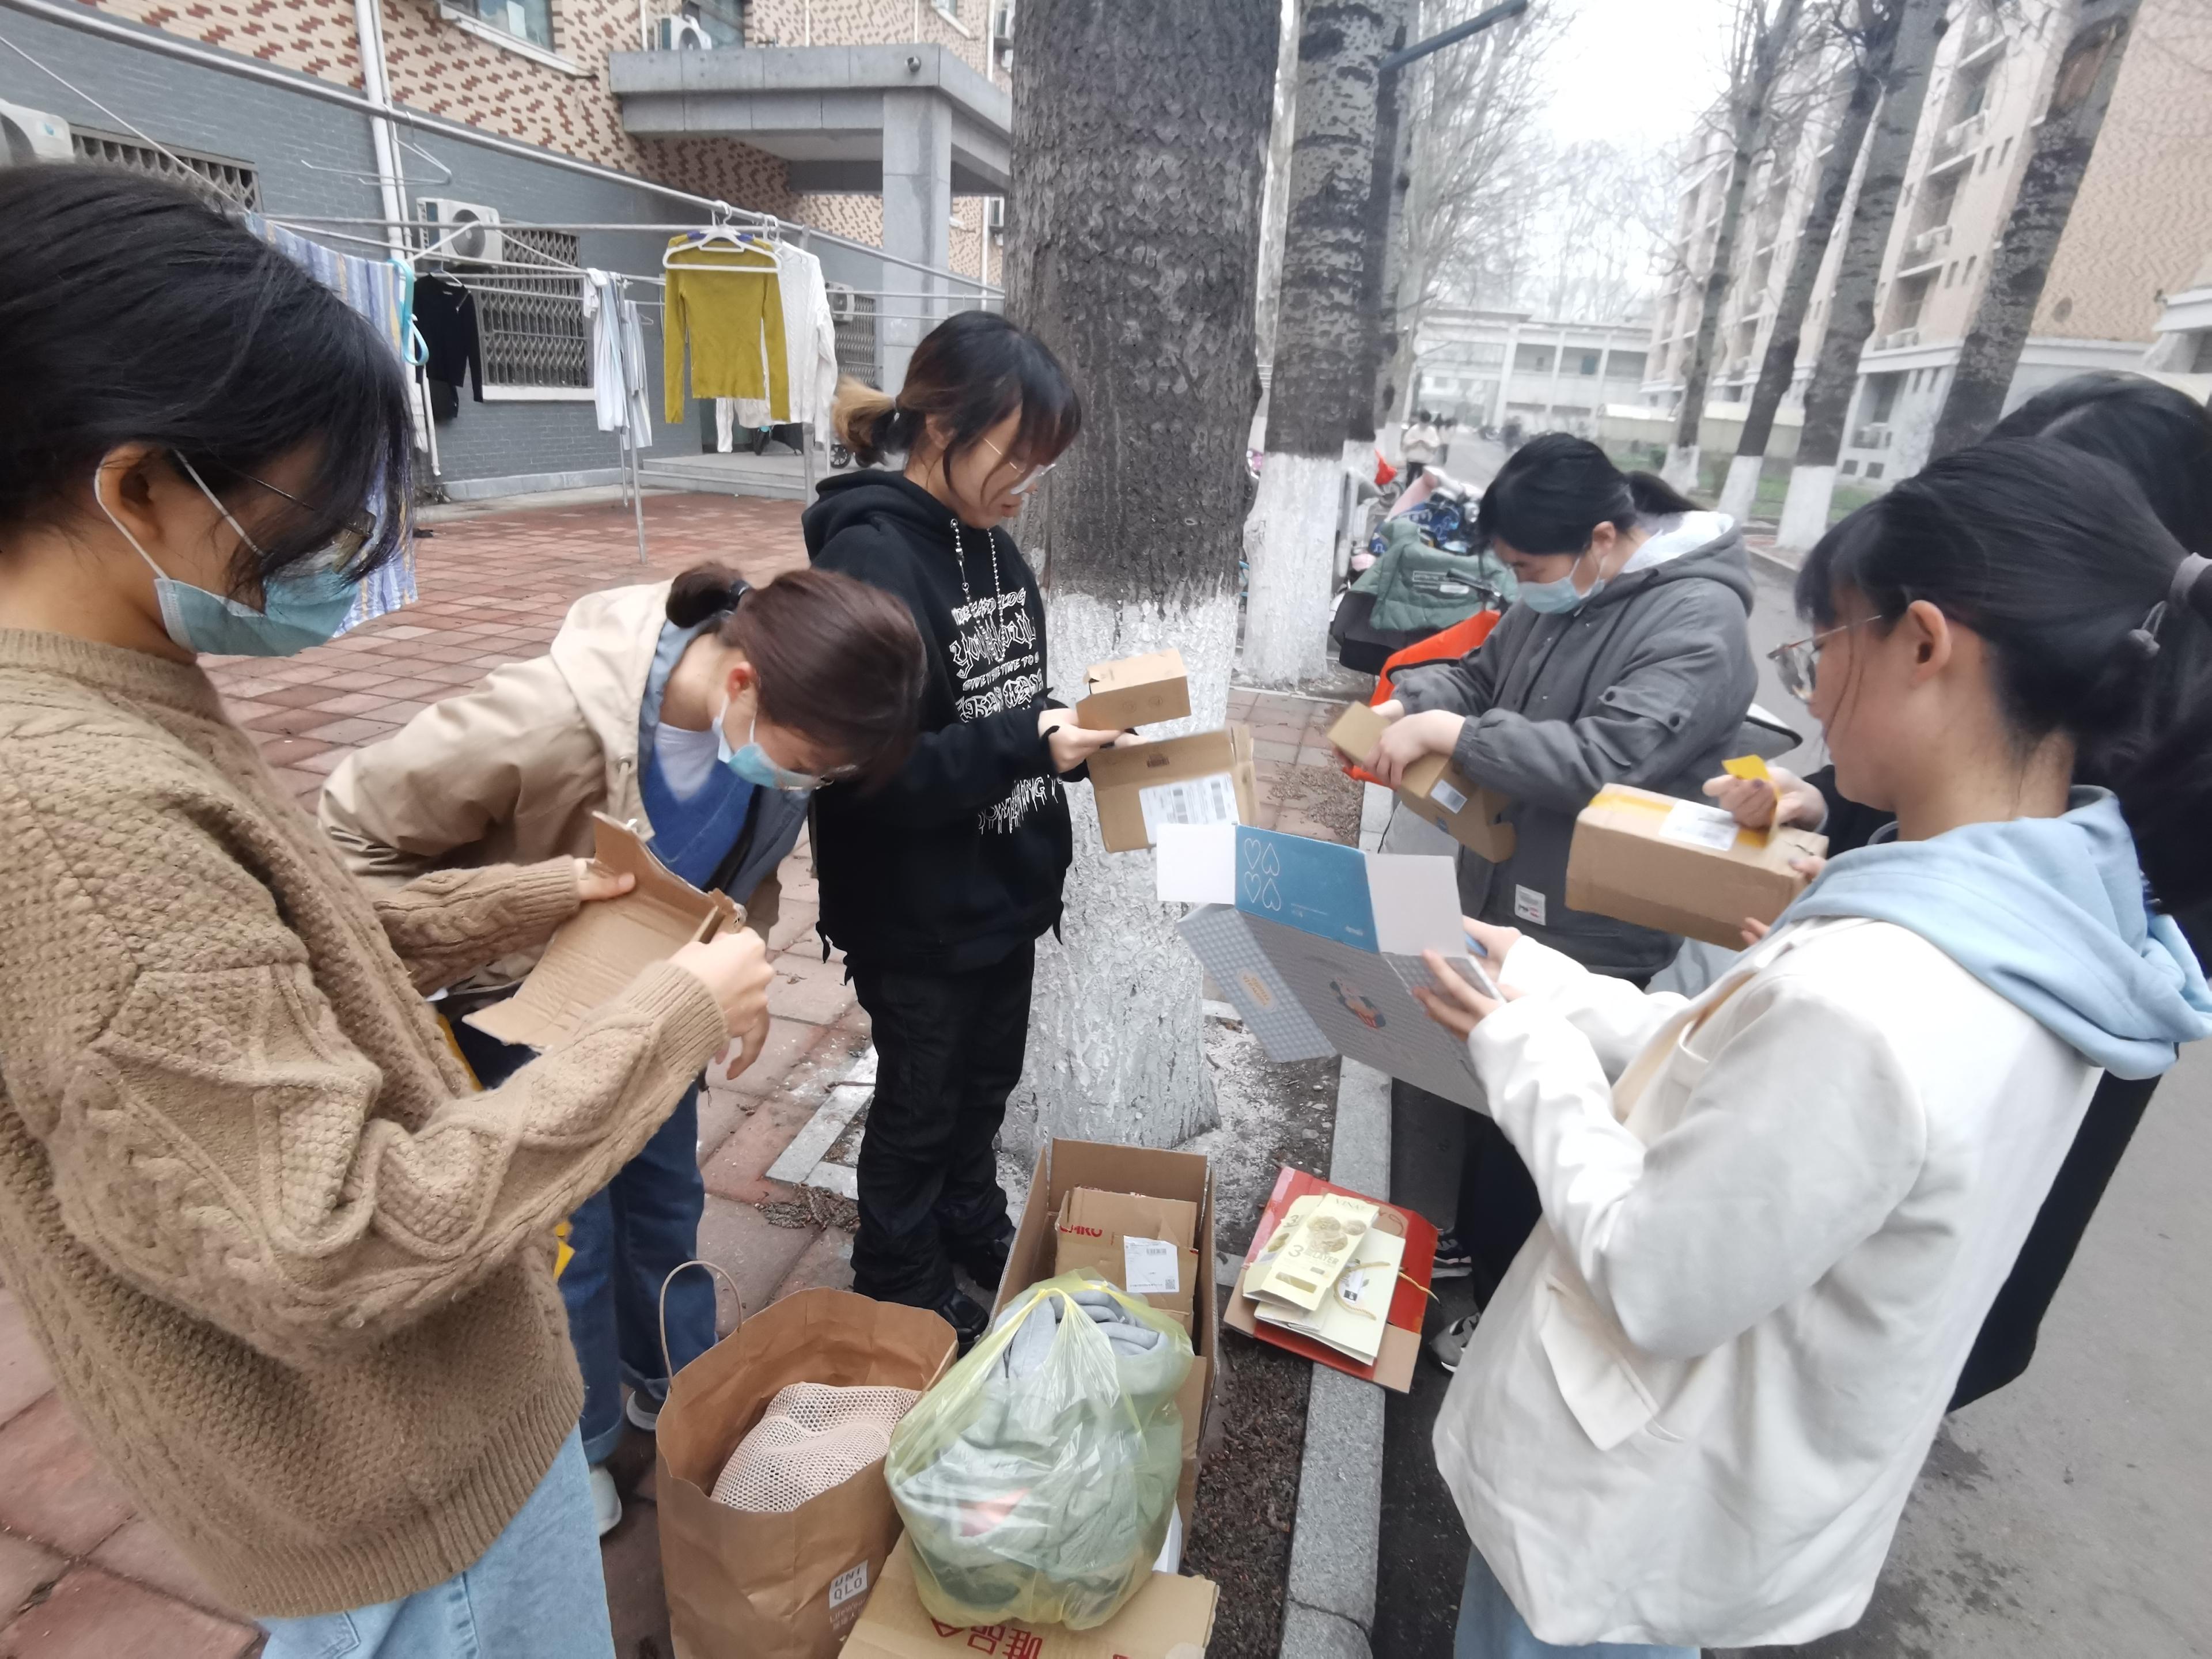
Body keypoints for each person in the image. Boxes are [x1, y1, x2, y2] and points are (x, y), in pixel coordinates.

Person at [0, 166, 774, 1658]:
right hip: (408, 1490)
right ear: (138, 487)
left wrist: (548, 892)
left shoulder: (118, 695)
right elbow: (334, 1237)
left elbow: (286, 934)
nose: (339, 552)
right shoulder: (73, 813)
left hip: (417, 1449)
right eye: (306, 506)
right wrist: (672, 1020)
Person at [1412, 439, 2211, 1656]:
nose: (1817, 689)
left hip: (1622, 1519)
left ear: (1925, 644)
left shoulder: (1879, 993)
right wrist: (1553, 985)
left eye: (1825, 644)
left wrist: (1524, 1045)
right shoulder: (2041, 918)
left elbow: (1658, 1275)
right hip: (1719, 1488)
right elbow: (1739, 1087)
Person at [319, 562, 926, 1531]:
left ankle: (670, 1377)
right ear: (741, 683)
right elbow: (347, 842)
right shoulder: (548, 720)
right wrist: (493, 925)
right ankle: (580, 1442)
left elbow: (746, 875)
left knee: (665, 1198)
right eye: (809, 764)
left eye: (826, 777)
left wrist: (733, 965)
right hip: (520, 1012)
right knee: (572, 1234)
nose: (807, 787)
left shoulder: (771, 739)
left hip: (657, 1001)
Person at [1705, 370, 2212, 1411]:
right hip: (1838, 1310)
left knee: (1849, 1353)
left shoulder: (2137, 807)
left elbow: (1664, 1275)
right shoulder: (2035, 759)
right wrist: (1822, 808)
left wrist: (1844, 957)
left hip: (1833, 1331)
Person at [1350, 434, 1755, 1309]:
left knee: (1553, 1118)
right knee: (1491, 1085)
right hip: (1508, 887)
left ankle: (1512, 1294)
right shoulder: (1563, 592)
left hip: (1595, 921)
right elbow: (1481, 676)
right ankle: (1477, 1250)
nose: (1519, 584)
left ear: (1602, 539)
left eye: (1526, 567)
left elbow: (1606, 761)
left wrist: (1457, 736)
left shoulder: (1698, 622)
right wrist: (1412, 704)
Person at [802, 312, 1116, 1347]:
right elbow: (870, 771)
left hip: (1002, 888)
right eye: (1017, 454)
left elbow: (1004, 700)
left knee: (985, 1087)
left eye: (1043, 461)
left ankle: (967, 1218)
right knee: (919, 1103)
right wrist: (1031, 741)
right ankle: (897, 1275)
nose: (1030, 480)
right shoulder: (871, 557)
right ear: (942, 428)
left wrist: (1070, 728)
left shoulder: (991, 544)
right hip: (917, 909)